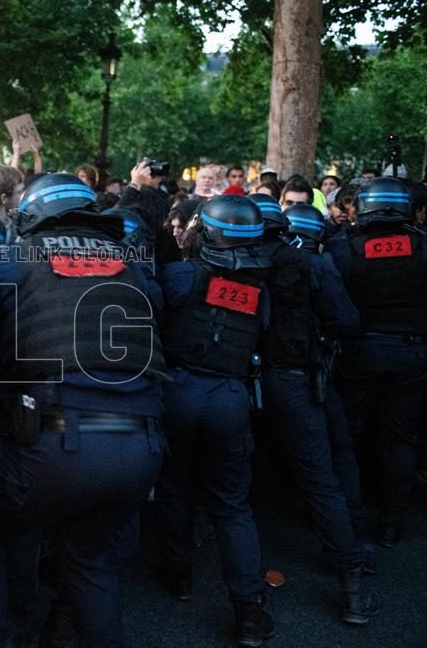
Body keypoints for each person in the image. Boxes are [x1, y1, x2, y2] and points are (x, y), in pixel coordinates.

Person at [0, 173, 167, 646]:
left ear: (30, 217)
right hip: (142, 450)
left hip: (54, 446)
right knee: (93, 564)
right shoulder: (133, 268)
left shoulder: (11, 262)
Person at [252, 195, 380, 625]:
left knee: (227, 486)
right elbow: (346, 321)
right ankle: (353, 587)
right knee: (321, 479)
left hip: (235, 384)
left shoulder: (227, 262)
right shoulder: (312, 264)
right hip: (292, 381)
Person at [154, 195, 275, 646]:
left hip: (179, 392)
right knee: (231, 505)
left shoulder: (181, 275)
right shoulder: (261, 294)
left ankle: (178, 576)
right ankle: (249, 611)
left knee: (174, 487)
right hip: (229, 398)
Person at [325, 177, 427, 547]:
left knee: (348, 435)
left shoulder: (341, 248)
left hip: (359, 352)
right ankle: (393, 517)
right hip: (411, 352)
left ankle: (350, 515)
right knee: (400, 437)